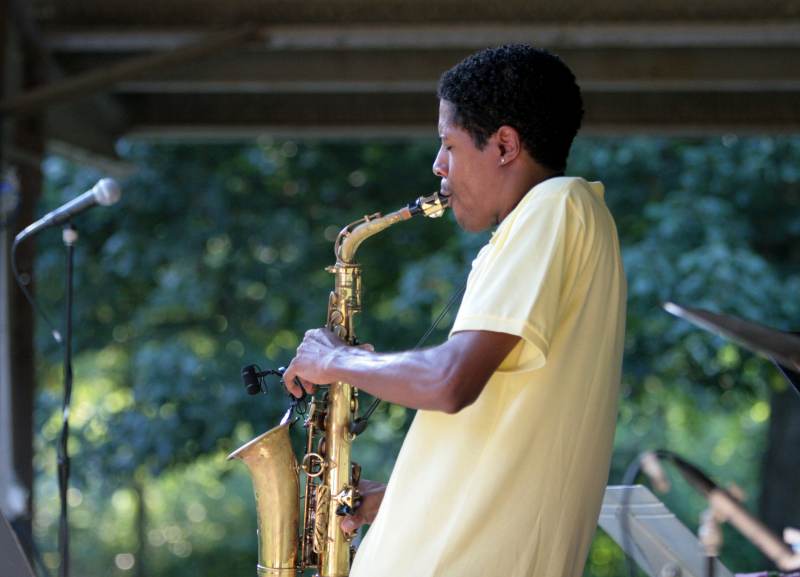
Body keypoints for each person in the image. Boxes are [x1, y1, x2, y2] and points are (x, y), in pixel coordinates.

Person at [283, 44, 626, 577]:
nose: (438, 165)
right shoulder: (560, 218)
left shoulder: (556, 205)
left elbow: (448, 381)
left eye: (449, 144)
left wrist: (335, 361)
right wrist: (404, 502)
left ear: (506, 145)